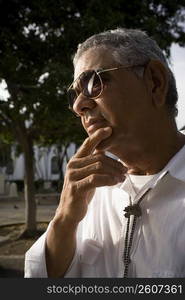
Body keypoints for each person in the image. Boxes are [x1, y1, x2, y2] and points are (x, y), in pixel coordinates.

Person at [25, 28, 185, 278]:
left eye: (93, 82)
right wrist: (65, 218)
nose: (79, 106)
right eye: (74, 94)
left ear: (155, 82)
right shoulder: (88, 194)